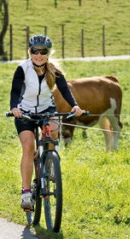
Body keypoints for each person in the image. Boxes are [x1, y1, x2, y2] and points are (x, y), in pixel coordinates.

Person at [8, 34, 85, 209]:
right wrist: (15, 108)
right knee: (28, 146)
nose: (39, 55)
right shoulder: (23, 69)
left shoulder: (54, 71)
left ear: (48, 53)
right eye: (35, 51)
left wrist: (75, 106)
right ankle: (26, 193)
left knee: (55, 128)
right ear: (30, 51)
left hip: (46, 109)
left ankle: (49, 164)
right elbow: (15, 90)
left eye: (43, 51)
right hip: (25, 112)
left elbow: (65, 90)